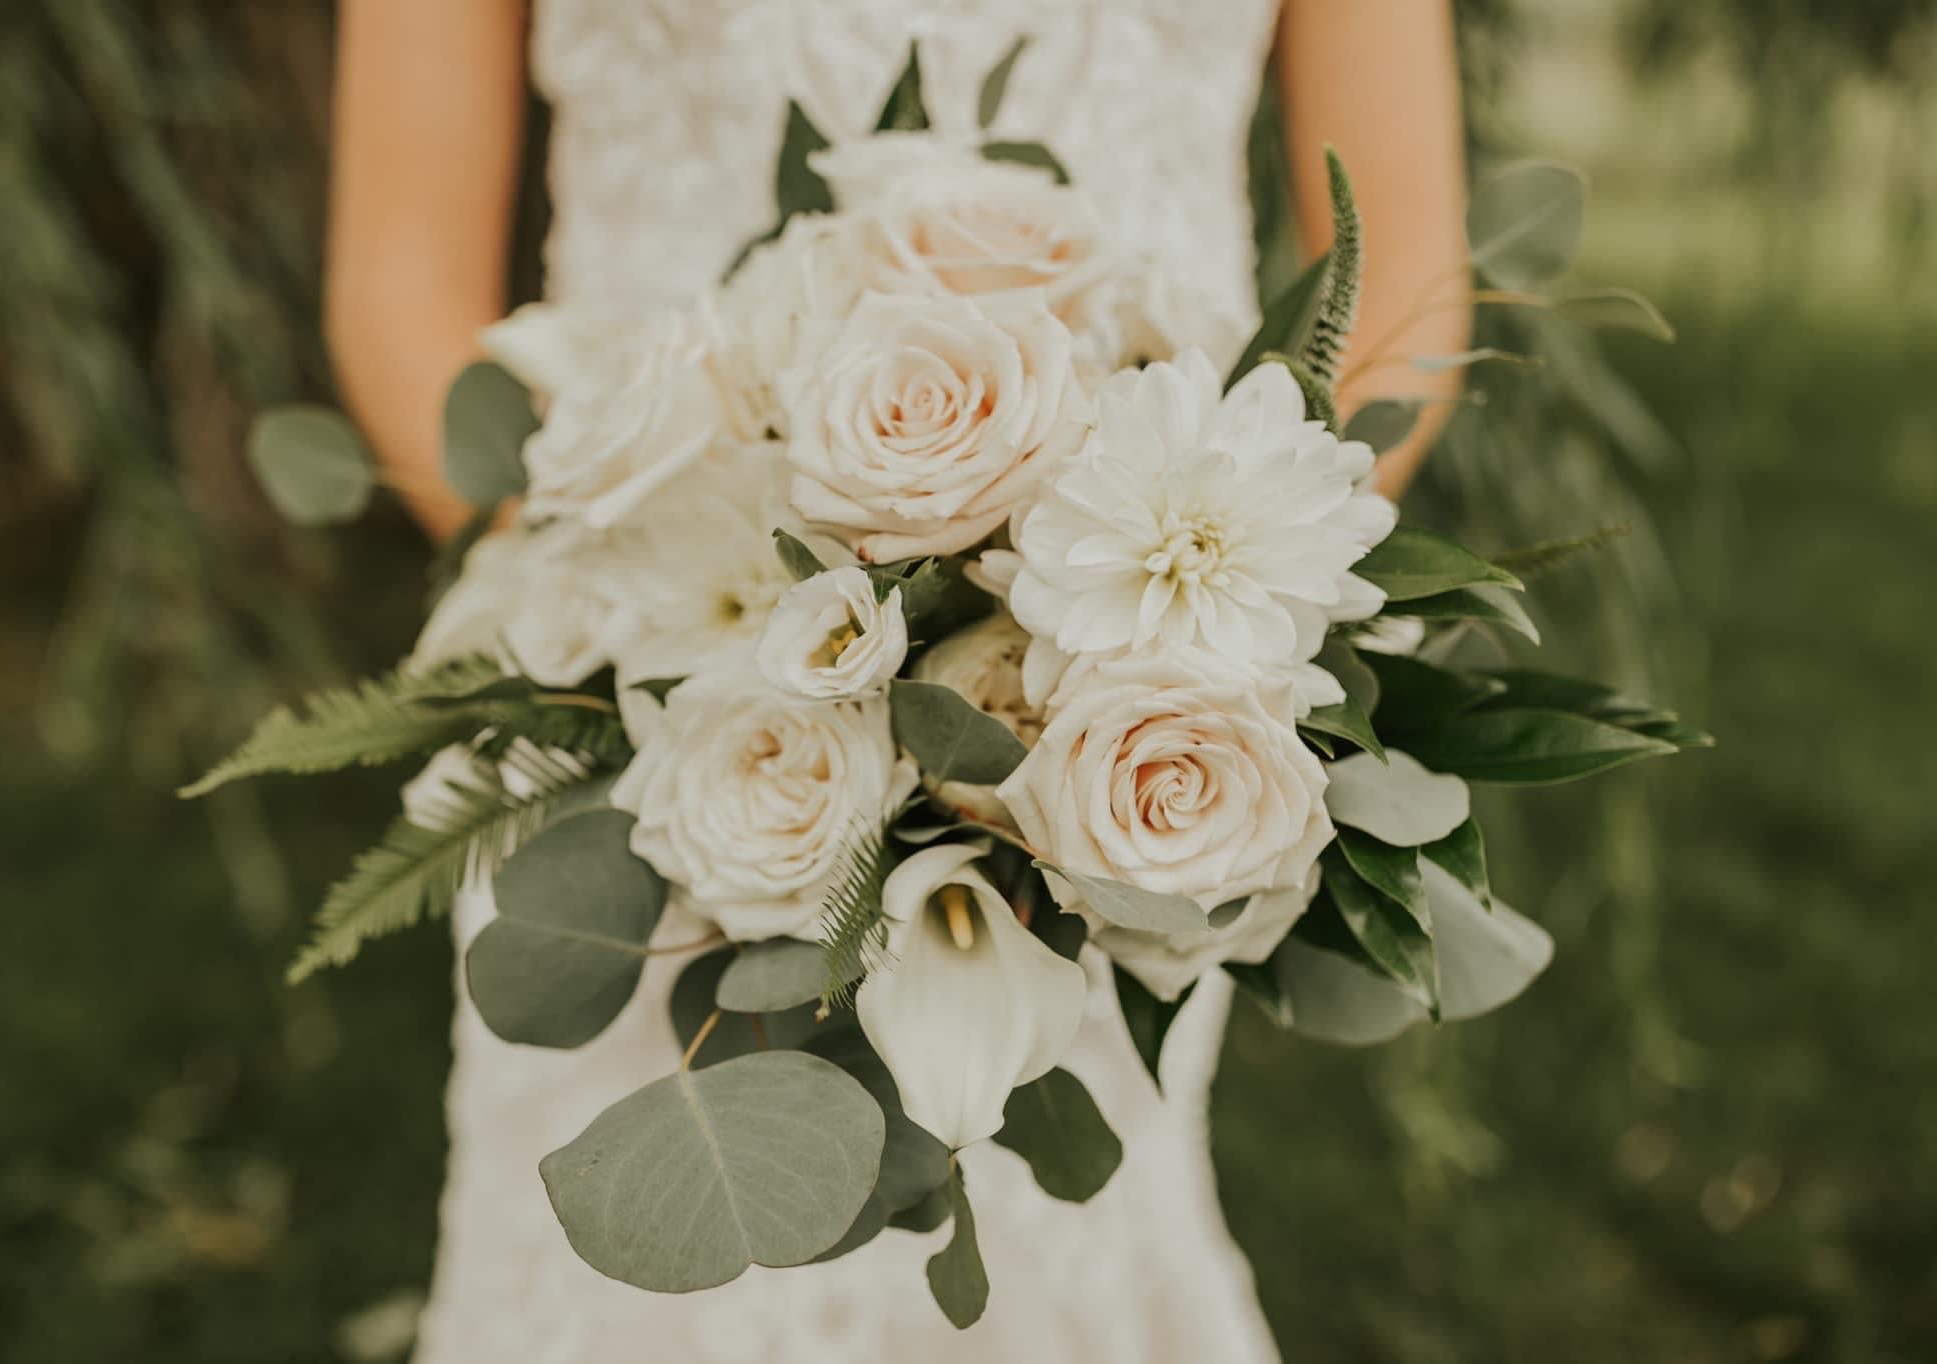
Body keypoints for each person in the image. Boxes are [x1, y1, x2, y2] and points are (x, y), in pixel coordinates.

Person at [326, 3, 1467, 1359]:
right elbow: (398, 289)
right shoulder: (634, 653)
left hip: (1110, 703)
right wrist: (654, 626)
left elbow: (1408, 293)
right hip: (631, 682)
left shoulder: (1135, 705)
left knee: (1053, 1200)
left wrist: (1187, 622)